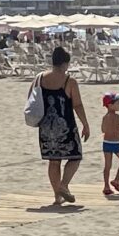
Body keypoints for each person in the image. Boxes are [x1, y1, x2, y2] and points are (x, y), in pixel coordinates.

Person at [32, 42, 89, 207]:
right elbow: (77, 105)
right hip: (65, 126)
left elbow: (31, 98)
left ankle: (58, 196)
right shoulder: (69, 81)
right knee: (75, 157)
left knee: (54, 161)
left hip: (46, 127)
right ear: (65, 63)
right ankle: (64, 185)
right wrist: (85, 123)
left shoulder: (40, 78)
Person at [100, 93, 119, 198]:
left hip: (106, 143)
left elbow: (103, 129)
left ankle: (106, 186)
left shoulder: (104, 117)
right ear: (111, 105)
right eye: (118, 103)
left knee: (107, 166)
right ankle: (116, 180)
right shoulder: (116, 116)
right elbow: (118, 129)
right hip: (115, 143)